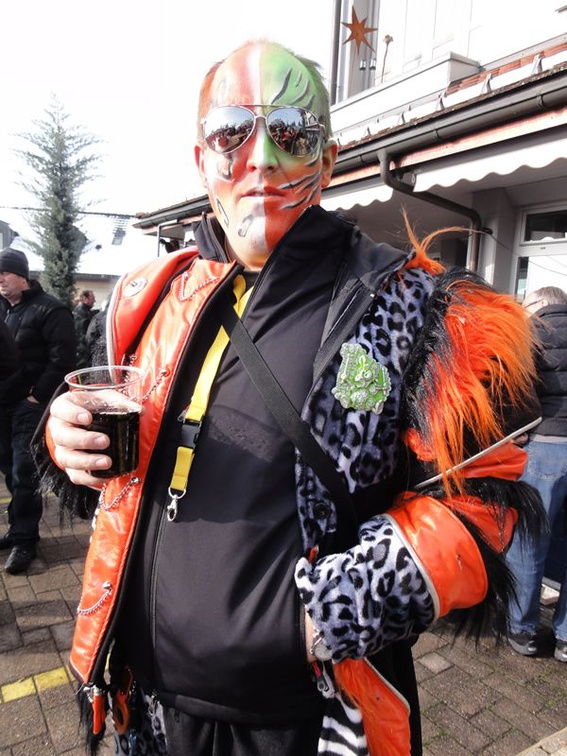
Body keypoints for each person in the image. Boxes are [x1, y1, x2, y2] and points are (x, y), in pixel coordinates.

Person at [42, 41, 544, 756]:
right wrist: (64, 441)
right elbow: (116, 476)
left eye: (290, 133)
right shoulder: (146, 299)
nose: (260, 159)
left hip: (303, 721)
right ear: (201, 159)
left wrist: (320, 618)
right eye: (231, 133)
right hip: (146, 708)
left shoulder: (417, 309)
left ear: (328, 161)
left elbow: (479, 505)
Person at [0, 247, 76, 574]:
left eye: (4, 272)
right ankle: (17, 529)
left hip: (28, 405)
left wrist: (36, 397)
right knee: (8, 469)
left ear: (22, 275)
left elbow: (63, 360)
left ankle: (25, 540)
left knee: (24, 472)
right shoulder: (3, 309)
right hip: (3, 402)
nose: (0, 279)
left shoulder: (51, 310)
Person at [505, 286, 567, 663]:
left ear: (542, 304)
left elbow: (514, 393)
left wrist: (517, 431)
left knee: (529, 540)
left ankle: (522, 628)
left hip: (546, 449)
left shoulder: (531, 335)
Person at [73, 288, 97, 368]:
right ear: (85, 298)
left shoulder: (86, 312)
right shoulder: (81, 313)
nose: (95, 301)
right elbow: (81, 336)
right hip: (83, 355)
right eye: (93, 298)